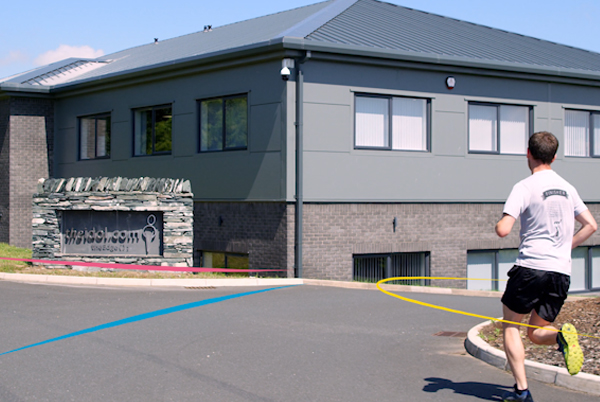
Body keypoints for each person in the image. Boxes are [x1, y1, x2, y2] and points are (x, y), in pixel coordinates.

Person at [495, 131, 597, 402]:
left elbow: (504, 230)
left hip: (530, 267)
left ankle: (521, 391)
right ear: (554, 156)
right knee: (537, 333)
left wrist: (499, 223)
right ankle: (562, 336)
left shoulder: (524, 187)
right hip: (560, 272)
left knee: (510, 326)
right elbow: (591, 225)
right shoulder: (568, 188)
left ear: (528, 153)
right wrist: (567, 246)